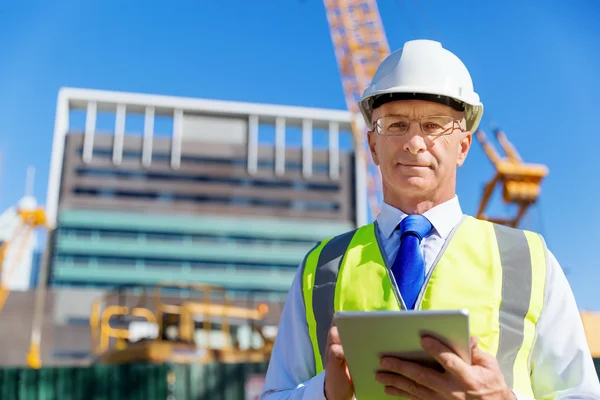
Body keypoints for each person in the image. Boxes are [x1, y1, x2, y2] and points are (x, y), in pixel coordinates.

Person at [259, 39, 600, 400]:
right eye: (396, 125)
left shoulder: (529, 261)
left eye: (434, 126)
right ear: (373, 145)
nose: (415, 143)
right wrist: (324, 393)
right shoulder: (321, 268)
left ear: (464, 147)